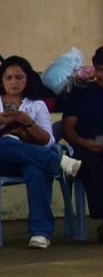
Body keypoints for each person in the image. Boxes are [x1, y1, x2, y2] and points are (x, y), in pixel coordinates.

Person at [0, 56, 82, 249]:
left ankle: (40, 233)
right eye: (9, 77)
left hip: (31, 158)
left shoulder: (36, 105)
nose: (13, 82)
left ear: (27, 79)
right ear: (1, 80)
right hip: (0, 160)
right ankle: (59, 161)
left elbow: (48, 141)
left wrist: (28, 123)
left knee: (36, 169)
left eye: (19, 77)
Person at [60, 46, 103, 243]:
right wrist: (81, 141)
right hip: (86, 147)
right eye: (100, 70)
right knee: (87, 163)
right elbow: (67, 128)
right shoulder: (81, 93)